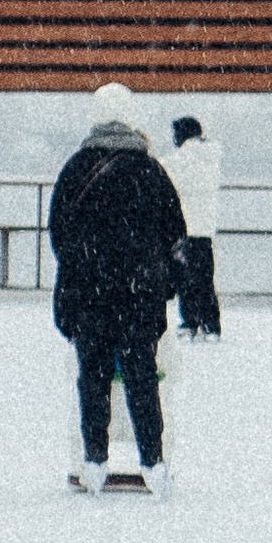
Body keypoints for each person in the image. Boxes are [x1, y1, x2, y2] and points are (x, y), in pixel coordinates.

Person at [49, 86, 184, 493]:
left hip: (89, 293)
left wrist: (84, 268)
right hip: (139, 294)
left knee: (93, 375)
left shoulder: (75, 168)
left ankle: (94, 461)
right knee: (142, 374)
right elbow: (176, 235)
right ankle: (154, 463)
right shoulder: (152, 170)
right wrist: (163, 281)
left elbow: (59, 233)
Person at [164, 117, 224, 337]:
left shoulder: (183, 159)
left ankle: (190, 322)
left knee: (184, 279)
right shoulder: (211, 159)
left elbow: (167, 174)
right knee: (205, 278)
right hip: (205, 226)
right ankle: (211, 324)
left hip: (184, 226)